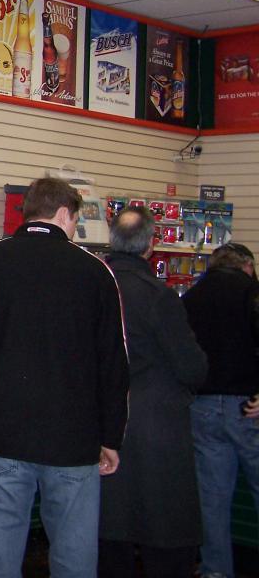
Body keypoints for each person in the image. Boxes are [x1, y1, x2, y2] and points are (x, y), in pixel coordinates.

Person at [0, 176, 129, 578]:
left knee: (1, 561)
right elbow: (114, 365)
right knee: (75, 561)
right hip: (74, 443)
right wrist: (111, 436)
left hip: (2, 437)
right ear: (63, 213)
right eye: (76, 219)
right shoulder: (95, 273)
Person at [99, 205, 207, 578]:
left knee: (108, 536)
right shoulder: (158, 296)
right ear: (151, 246)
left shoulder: (93, 287)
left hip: (100, 424)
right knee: (165, 534)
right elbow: (192, 366)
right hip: (157, 428)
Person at [184, 241, 259, 578]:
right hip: (249, 407)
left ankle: (216, 570)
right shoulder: (253, 293)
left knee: (212, 499)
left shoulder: (192, 297)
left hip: (202, 406)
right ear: (247, 266)